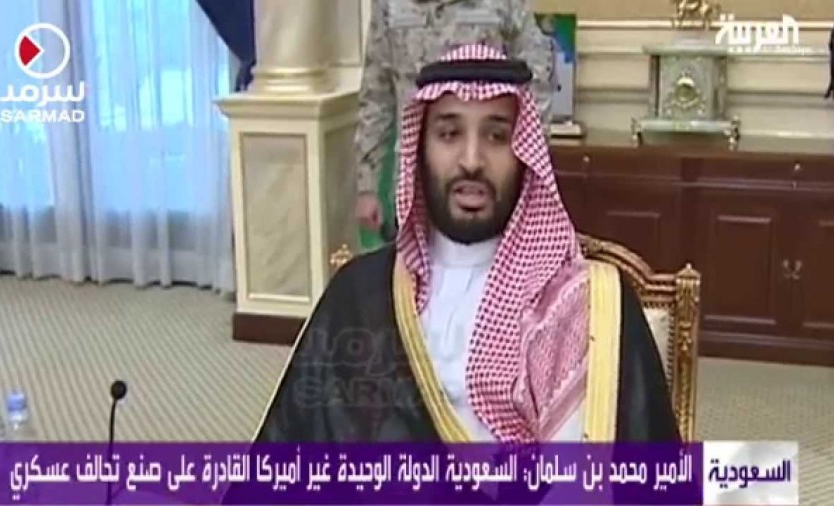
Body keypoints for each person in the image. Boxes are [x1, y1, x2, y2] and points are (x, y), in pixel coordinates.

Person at [253, 44, 678, 444]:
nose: (472, 160)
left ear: (524, 153)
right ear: (419, 150)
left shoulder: (584, 303)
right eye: (449, 134)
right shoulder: (359, 294)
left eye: (496, 137)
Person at [355, 0, 555, 250]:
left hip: (489, 181)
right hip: (413, 180)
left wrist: (530, 167)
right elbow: (376, 96)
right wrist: (367, 186)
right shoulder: (390, 5)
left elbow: (536, 82)